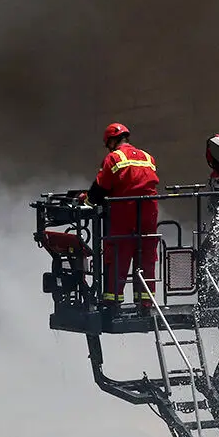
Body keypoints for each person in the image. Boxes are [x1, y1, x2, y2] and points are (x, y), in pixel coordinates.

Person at [85, 122, 160, 311]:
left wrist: (88, 202)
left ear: (111, 141)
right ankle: (145, 301)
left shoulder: (114, 158)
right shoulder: (147, 157)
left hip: (124, 211)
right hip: (149, 211)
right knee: (146, 254)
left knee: (118, 253)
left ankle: (113, 301)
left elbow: (100, 188)